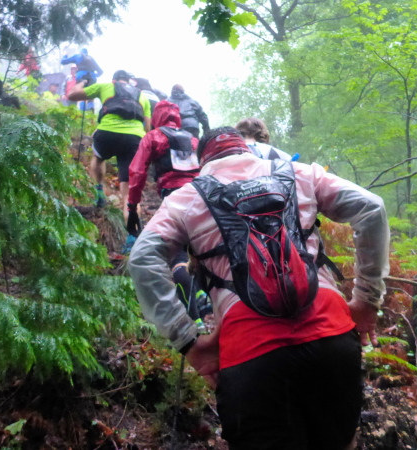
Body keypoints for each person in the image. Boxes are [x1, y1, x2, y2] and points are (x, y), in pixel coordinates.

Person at [128, 127, 390, 450]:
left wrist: (187, 340)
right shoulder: (300, 173)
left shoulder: (186, 198)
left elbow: (142, 258)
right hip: (332, 338)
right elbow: (372, 208)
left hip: (250, 353)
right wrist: (367, 299)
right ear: (246, 150)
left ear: (202, 162)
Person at [127, 100, 208, 320]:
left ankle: (195, 319)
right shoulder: (192, 139)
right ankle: (204, 297)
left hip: (173, 196)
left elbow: (137, 171)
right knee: (197, 248)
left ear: (156, 117)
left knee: (177, 254)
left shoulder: (154, 136)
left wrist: (132, 206)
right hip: (199, 196)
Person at [68, 70, 151, 218]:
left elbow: (72, 95)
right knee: (129, 196)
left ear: (114, 80)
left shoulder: (105, 86)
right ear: (129, 82)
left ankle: (99, 192)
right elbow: (148, 128)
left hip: (107, 132)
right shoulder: (142, 96)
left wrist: (83, 82)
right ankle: (133, 230)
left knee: (99, 157)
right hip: (134, 138)